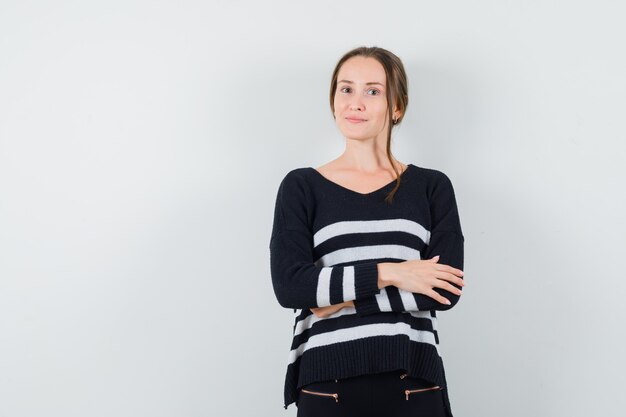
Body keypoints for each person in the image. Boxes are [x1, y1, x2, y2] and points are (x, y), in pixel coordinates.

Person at [269, 46, 465, 417]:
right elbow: (291, 286)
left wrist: (330, 298)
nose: (355, 102)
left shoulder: (430, 187)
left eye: (372, 91)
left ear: (397, 107)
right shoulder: (302, 187)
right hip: (328, 389)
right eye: (346, 89)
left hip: (414, 384)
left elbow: (443, 290)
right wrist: (392, 272)